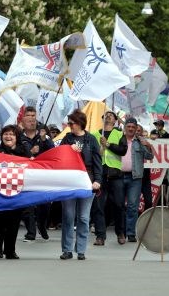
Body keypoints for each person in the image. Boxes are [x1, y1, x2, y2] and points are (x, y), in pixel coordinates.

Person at [59, 110, 102, 260]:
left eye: (72, 123)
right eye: (69, 123)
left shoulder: (91, 139)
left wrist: (98, 180)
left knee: (83, 217)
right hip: (70, 181)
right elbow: (59, 155)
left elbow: (97, 162)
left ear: (80, 123)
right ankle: (67, 249)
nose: (70, 126)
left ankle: (81, 249)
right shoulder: (67, 139)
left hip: (87, 181)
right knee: (68, 216)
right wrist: (68, 150)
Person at [0, 125, 30, 260]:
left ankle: (10, 250)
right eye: (6, 134)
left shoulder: (24, 152)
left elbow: (32, 165)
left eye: (12, 134)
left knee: (13, 221)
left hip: (16, 192)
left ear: (17, 137)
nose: (8, 137)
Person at [113, 117, 154, 243]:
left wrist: (148, 145)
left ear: (136, 129)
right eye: (128, 126)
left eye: (133, 127)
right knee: (119, 205)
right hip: (118, 176)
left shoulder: (140, 141)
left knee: (132, 206)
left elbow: (150, 156)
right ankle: (121, 233)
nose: (130, 129)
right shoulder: (118, 139)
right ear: (125, 128)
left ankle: (131, 233)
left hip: (135, 177)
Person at [91, 110, 127, 246]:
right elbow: (92, 153)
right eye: (106, 115)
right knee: (99, 206)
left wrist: (108, 145)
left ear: (115, 120)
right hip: (100, 174)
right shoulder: (95, 134)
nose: (108, 116)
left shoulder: (119, 134)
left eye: (111, 115)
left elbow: (123, 151)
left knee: (118, 204)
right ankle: (100, 236)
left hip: (115, 175)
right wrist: (99, 148)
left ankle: (120, 232)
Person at [19, 106, 54, 241]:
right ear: (23, 119)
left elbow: (52, 150)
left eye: (34, 116)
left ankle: (42, 225)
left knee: (44, 203)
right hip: (26, 174)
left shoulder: (43, 132)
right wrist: (30, 153)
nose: (32, 119)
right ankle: (31, 232)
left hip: (42, 173)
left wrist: (45, 139)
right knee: (27, 204)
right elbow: (16, 151)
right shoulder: (19, 135)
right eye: (29, 116)